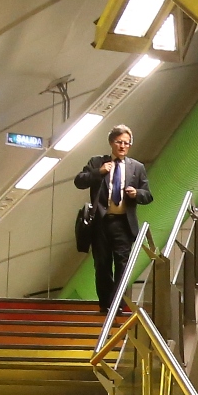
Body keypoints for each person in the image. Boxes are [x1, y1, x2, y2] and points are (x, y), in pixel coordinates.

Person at [74, 125, 152, 312]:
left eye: (126, 143)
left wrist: (136, 194)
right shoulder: (97, 162)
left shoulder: (137, 167)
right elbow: (79, 181)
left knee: (123, 265)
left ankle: (117, 303)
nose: (123, 146)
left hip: (123, 223)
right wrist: (99, 172)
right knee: (102, 265)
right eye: (119, 142)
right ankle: (105, 305)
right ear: (111, 143)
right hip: (100, 223)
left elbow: (148, 195)